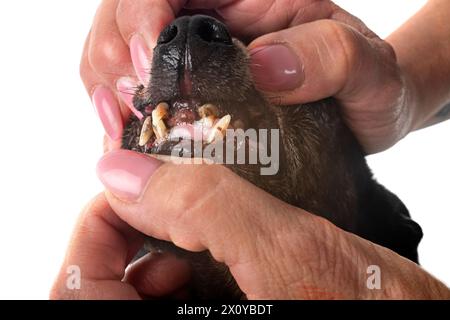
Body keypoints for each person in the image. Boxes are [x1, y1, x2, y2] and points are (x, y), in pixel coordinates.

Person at [51, 0, 450, 299]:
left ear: (383, 238)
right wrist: (406, 84)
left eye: (301, 103)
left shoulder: (383, 235)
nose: (187, 34)